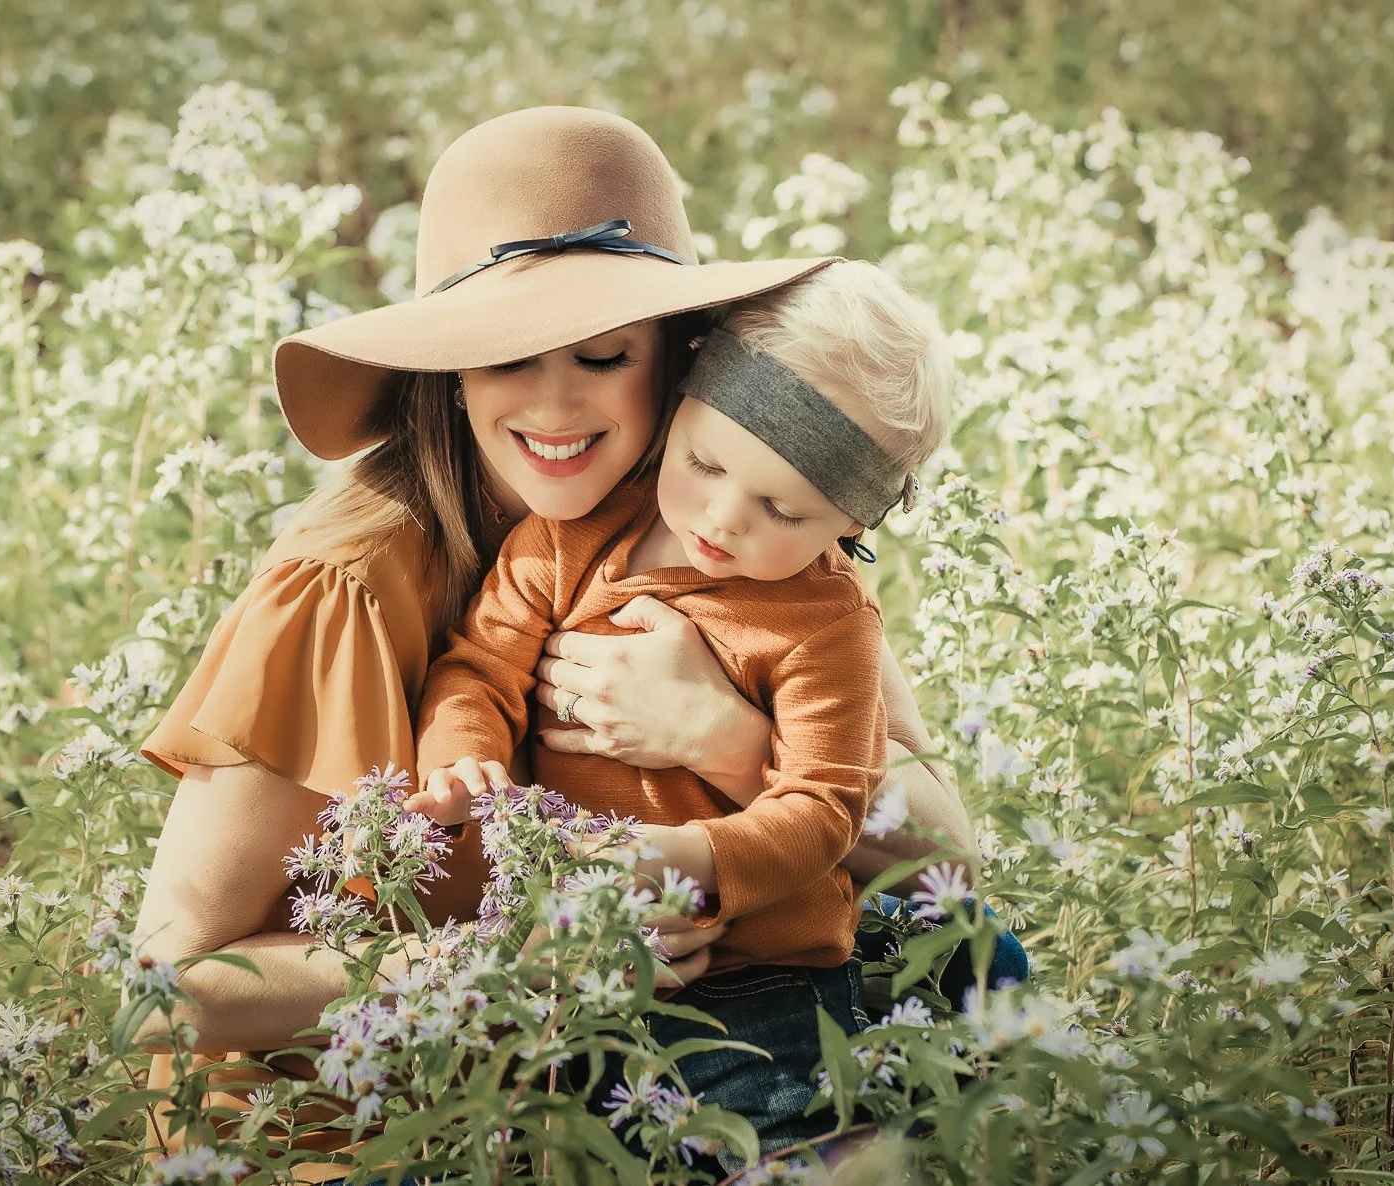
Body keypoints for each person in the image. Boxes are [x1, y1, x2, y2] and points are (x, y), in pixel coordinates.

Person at [128, 106, 984, 1170]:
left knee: (966, 965)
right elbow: (165, 991)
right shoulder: (344, 585)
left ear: (678, 362)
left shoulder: (724, 515)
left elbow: (945, 853)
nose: (554, 402)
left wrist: (717, 737)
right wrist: (507, 965)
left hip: (649, 1049)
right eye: (503, 359)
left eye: (602, 353)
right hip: (395, 1125)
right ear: (445, 371)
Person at [403, 259, 954, 1169]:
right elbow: (478, 667)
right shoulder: (570, 537)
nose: (723, 519)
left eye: (783, 508)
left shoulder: (827, 621)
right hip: (576, 965)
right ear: (680, 410)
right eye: (703, 463)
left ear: (846, 526)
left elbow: (827, 809)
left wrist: (688, 861)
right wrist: (463, 756)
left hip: (760, 980)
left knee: (781, 1150)